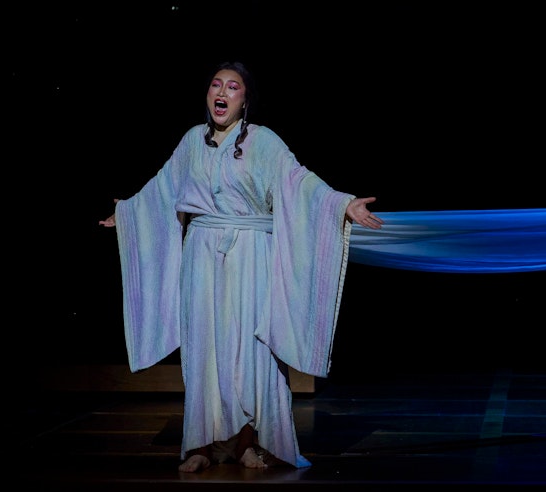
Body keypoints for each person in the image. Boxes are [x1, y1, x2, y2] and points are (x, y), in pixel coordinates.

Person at [99, 61, 383, 472]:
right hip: (202, 256)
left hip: (252, 256)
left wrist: (343, 204)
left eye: (233, 87)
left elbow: (298, 181)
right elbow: (163, 187)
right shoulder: (192, 141)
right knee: (204, 350)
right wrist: (129, 215)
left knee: (251, 351)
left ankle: (248, 441)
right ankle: (199, 445)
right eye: (216, 85)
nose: (223, 92)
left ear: (244, 99)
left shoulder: (264, 142)